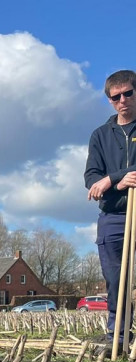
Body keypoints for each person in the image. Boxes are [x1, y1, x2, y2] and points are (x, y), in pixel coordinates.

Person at [86, 69, 136, 346]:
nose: (123, 100)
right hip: (114, 214)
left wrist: (114, 177)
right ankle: (117, 334)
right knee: (116, 278)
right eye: (116, 96)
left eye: (128, 93)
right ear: (109, 100)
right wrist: (116, 183)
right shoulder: (101, 135)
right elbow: (91, 177)